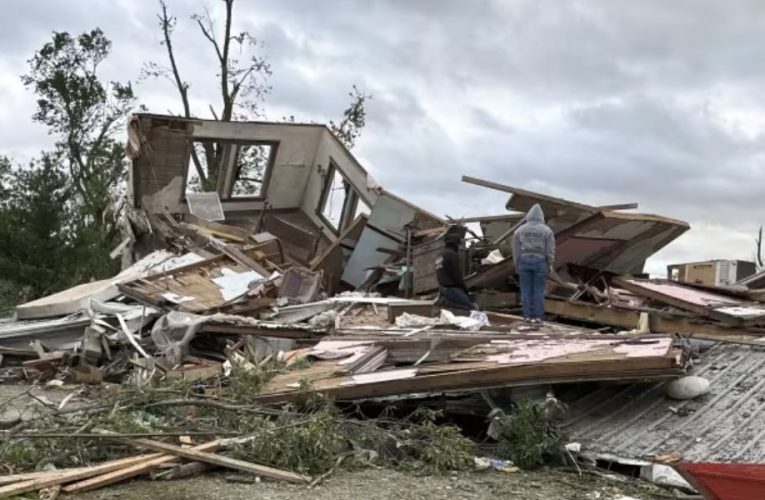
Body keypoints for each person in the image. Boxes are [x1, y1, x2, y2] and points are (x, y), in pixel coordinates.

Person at [512, 204, 555, 324]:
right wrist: (550, 263)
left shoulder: (519, 230)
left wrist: (516, 264)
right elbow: (550, 250)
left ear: (529, 216)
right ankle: (537, 317)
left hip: (524, 260)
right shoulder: (547, 230)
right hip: (540, 261)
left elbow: (516, 250)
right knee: (538, 290)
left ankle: (527, 316)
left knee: (525, 290)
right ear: (541, 216)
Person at [436, 232, 478, 311]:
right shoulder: (452, 255)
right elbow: (457, 275)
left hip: (443, 288)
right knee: (473, 308)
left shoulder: (440, 255)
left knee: (456, 308)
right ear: (455, 244)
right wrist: (465, 290)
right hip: (452, 289)